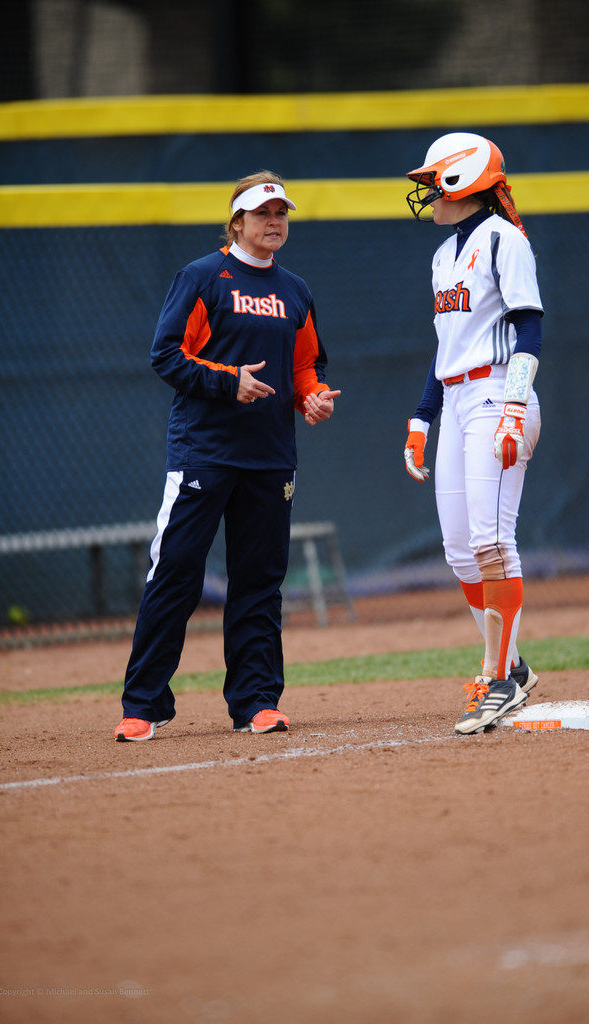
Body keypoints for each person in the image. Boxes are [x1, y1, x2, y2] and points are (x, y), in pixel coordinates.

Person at [114, 171, 340, 740]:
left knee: (259, 582)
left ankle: (256, 702)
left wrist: (311, 398)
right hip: (204, 453)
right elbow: (167, 356)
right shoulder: (202, 277)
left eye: (282, 213)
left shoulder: (296, 290)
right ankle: (143, 704)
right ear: (236, 221)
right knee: (176, 574)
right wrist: (227, 382)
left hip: (269, 458)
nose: (274, 222)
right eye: (263, 213)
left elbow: (304, 367)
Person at [403, 132, 543, 736]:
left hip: (496, 393)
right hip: (458, 396)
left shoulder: (502, 239)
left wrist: (515, 405)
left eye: (433, 179)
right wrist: (420, 419)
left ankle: (499, 680)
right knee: (459, 548)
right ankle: (514, 667)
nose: (426, 190)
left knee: (490, 537)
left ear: (461, 181)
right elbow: (445, 351)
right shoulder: (442, 256)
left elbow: (529, 329)